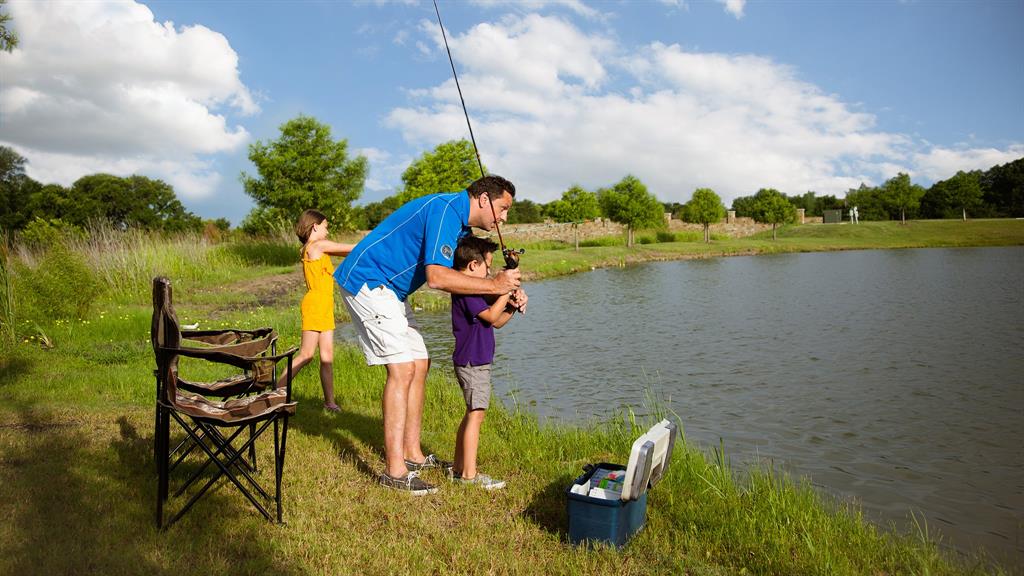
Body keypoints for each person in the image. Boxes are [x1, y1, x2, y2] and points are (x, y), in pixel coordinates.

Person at [334, 174, 524, 495]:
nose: (504, 217)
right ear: (482, 199)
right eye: (502, 208)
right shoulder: (446, 210)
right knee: (402, 368)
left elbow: (462, 274)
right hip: (368, 281)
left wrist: (502, 292)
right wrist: (495, 286)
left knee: (420, 361)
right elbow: (436, 277)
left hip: (391, 290)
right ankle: (394, 472)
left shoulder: (459, 223)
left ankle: (413, 454)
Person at [449, 235, 526, 490]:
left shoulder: (474, 290)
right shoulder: (467, 290)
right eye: (488, 267)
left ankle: (459, 469)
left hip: (476, 360)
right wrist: (504, 288)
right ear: (473, 265)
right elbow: (493, 317)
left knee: (472, 413)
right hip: (472, 361)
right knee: (476, 415)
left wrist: (512, 307)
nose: (491, 273)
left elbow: (498, 320)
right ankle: (469, 477)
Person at [278, 209, 355, 411]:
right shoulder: (317, 246)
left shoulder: (313, 248)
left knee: (327, 356)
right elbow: (351, 248)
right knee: (306, 355)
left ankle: (329, 403)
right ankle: (275, 393)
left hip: (325, 305)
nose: (327, 231)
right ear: (315, 226)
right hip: (315, 305)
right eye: (325, 227)